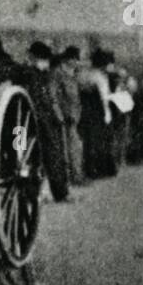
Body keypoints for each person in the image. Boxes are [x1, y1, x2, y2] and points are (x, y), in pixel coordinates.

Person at [25, 41, 70, 201]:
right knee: (54, 155)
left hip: (22, 125)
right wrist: (56, 119)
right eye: (44, 59)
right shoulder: (37, 77)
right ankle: (59, 192)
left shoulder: (28, 74)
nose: (46, 63)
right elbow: (43, 102)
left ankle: (32, 191)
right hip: (40, 123)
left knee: (24, 154)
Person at [79, 48, 116, 180]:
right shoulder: (99, 77)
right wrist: (106, 112)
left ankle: (94, 169)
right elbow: (103, 97)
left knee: (93, 142)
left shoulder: (88, 75)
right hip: (98, 112)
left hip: (91, 112)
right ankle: (97, 169)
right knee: (96, 142)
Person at [55, 46, 86, 185]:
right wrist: (59, 114)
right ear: (68, 59)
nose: (76, 62)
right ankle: (72, 177)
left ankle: (75, 176)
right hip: (64, 116)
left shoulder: (73, 74)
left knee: (75, 147)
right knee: (68, 148)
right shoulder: (59, 73)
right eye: (74, 59)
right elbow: (54, 96)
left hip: (74, 116)